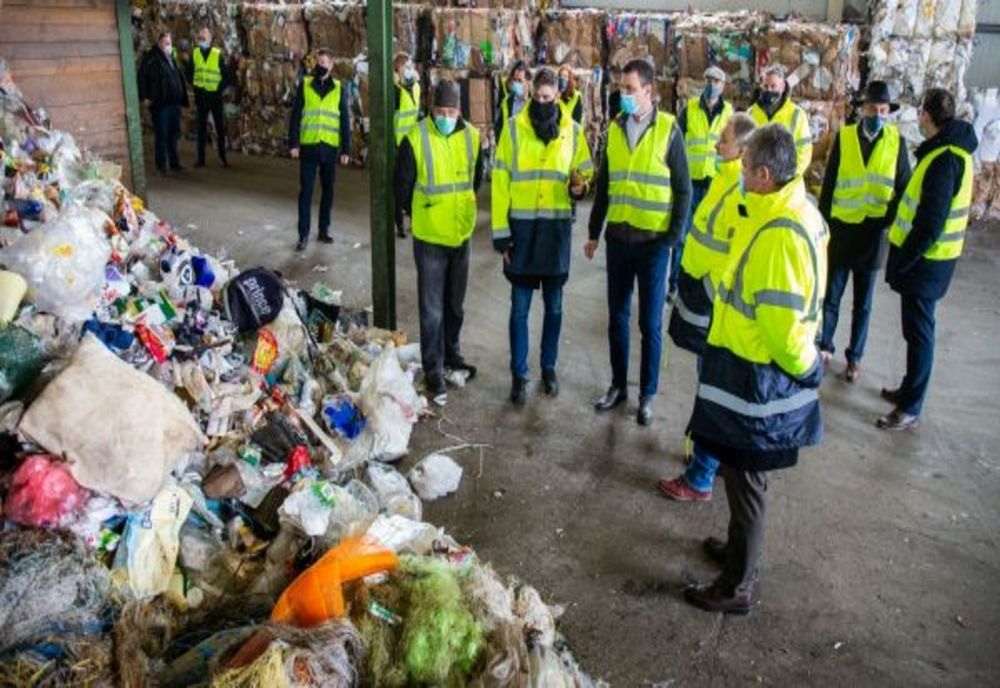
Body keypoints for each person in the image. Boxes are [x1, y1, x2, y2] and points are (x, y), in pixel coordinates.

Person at [684, 124, 828, 615]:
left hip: (756, 379)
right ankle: (735, 552)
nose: (738, 173)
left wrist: (809, 369)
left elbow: (783, 331)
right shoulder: (779, 208)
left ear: (764, 175)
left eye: (744, 168)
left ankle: (737, 585)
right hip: (740, 367)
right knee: (735, 470)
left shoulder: (780, 235)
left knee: (747, 482)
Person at [587, 58, 692, 426]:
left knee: (649, 322)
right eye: (621, 88)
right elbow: (605, 184)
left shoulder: (668, 130)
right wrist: (592, 232)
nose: (623, 94)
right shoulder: (615, 129)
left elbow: (684, 189)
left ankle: (647, 393)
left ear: (649, 91)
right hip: (618, 239)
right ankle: (618, 385)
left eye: (630, 89)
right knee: (617, 317)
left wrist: (673, 239)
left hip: (653, 245)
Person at [658, 113, 758, 502]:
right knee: (709, 384)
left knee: (715, 391)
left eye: (724, 141)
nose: (717, 146)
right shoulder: (724, 180)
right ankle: (707, 462)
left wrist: (709, 288)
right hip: (707, 298)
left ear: (743, 151)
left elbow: (737, 254)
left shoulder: (739, 192)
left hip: (718, 306)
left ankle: (700, 476)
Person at [492, 67, 593, 406]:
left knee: (555, 308)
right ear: (531, 93)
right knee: (519, 310)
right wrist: (501, 234)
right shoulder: (513, 130)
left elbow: (586, 172)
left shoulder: (573, 132)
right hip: (521, 234)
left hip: (554, 235)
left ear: (558, 96)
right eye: (537, 97)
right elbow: (501, 181)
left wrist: (580, 186)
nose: (541, 102)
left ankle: (548, 367)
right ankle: (519, 374)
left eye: (548, 98)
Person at [879, 88, 977, 431]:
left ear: (930, 116)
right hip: (930, 263)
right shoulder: (948, 152)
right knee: (914, 331)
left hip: (928, 263)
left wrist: (905, 258)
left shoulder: (945, 159)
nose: (918, 119)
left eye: (921, 112)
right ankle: (909, 391)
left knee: (920, 334)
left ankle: (910, 408)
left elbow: (930, 223)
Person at [395, 80, 484, 405]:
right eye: (440, 112)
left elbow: (476, 179)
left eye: (451, 112)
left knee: (455, 305)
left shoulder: (472, 138)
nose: (446, 117)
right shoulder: (416, 138)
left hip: (461, 235)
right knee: (431, 309)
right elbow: (402, 187)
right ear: (432, 110)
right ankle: (434, 368)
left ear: (459, 110)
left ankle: (452, 355)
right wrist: (420, 213)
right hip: (431, 237)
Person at [818, 81, 911, 382]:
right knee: (831, 296)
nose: (877, 114)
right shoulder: (844, 138)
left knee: (863, 303)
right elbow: (830, 185)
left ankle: (854, 358)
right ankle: (825, 346)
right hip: (842, 231)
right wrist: (823, 226)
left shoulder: (897, 143)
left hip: (873, 236)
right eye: (872, 109)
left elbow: (904, 189)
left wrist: (887, 221)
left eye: (883, 110)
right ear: (862, 109)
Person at [669, 66, 734, 299]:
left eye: (717, 80)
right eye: (708, 79)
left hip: (715, 183)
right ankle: (675, 282)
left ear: (723, 85)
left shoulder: (729, 113)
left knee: (709, 235)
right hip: (690, 181)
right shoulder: (690, 110)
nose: (712, 84)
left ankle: (702, 284)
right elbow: (676, 141)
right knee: (683, 233)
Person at [288, 48, 351, 252]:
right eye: (319, 61)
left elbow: (344, 121)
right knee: (306, 192)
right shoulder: (305, 85)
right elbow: (296, 116)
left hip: (330, 149)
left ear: (331, 65)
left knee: (328, 191)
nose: (321, 65)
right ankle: (303, 235)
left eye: (325, 62)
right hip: (308, 147)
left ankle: (323, 231)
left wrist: (346, 150)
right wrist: (294, 144)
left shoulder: (339, 88)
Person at [748, 64, 812, 178]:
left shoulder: (797, 115)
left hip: (785, 184)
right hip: (757, 181)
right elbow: (743, 147)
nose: (769, 90)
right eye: (766, 86)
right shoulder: (751, 113)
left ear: (782, 87)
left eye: (773, 86)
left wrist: (790, 176)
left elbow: (804, 151)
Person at [139, 32, 188, 175]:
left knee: (174, 135)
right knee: (162, 136)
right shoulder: (151, 58)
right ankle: (161, 166)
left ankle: (174, 163)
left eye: (170, 43)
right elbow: (142, 79)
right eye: (166, 43)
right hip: (161, 105)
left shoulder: (171, 57)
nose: (168, 45)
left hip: (174, 104)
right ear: (159, 43)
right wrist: (144, 97)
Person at [183, 27, 230, 169]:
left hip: (215, 96)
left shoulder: (217, 54)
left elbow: (226, 76)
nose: (201, 40)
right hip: (201, 96)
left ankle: (223, 158)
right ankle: (201, 159)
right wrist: (195, 86)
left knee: (219, 128)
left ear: (210, 39)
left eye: (204, 38)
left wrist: (219, 89)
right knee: (201, 128)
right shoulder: (195, 53)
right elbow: (188, 72)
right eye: (200, 38)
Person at [394, 52, 421, 239]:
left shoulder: (417, 88)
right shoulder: (394, 90)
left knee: (415, 184)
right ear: (397, 69)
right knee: (399, 186)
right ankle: (399, 223)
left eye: (410, 66)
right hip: (397, 144)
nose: (408, 69)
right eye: (404, 66)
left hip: (413, 143)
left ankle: (414, 219)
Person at [495, 61, 529, 141]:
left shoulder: (533, 103)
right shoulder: (507, 102)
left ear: (527, 82)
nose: (516, 83)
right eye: (515, 80)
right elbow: (498, 128)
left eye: (520, 81)